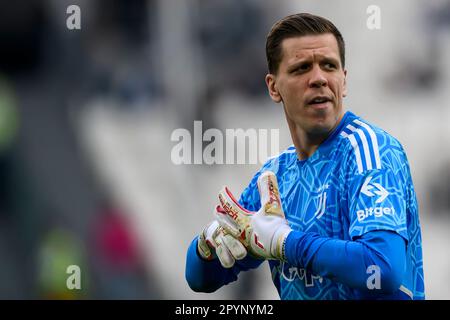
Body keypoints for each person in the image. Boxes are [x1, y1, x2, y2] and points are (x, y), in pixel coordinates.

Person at [185, 13, 425, 300]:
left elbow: (381, 269)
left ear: (344, 81)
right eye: (301, 68)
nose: (319, 79)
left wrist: (285, 243)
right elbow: (199, 280)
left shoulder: (369, 151)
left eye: (329, 66)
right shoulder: (274, 178)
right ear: (274, 87)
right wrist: (206, 246)